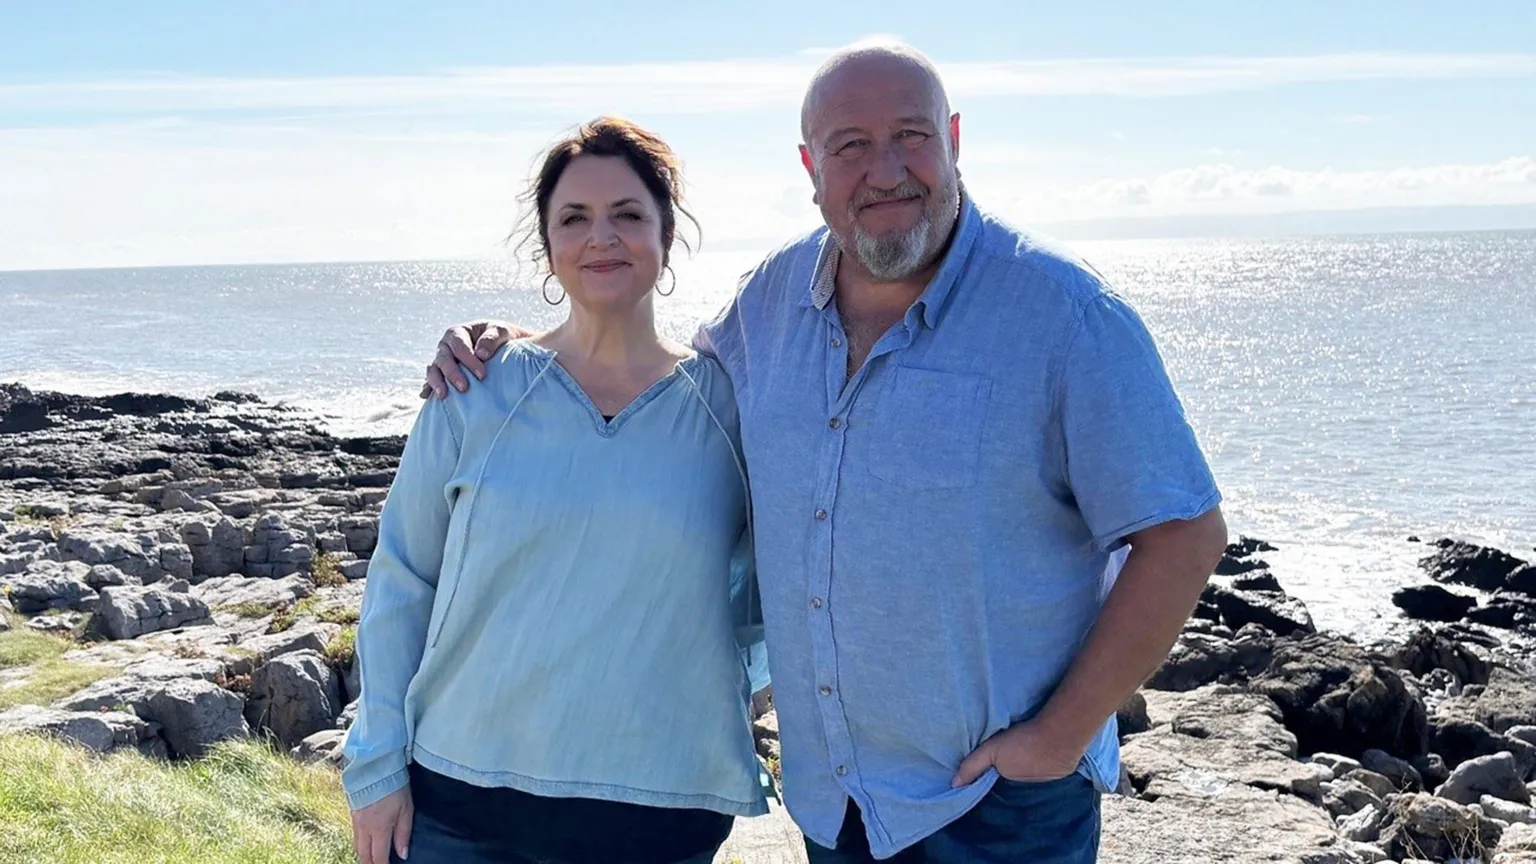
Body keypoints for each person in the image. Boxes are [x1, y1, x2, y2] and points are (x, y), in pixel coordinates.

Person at [422, 40, 1228, 864]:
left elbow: (1184, 535)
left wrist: (1059, 738)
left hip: (998, 809)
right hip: (834, 805)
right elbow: (660, 386)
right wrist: (525, 350)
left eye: (911, 136)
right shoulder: (770, 304)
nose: (884, 170)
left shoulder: (1066, 316)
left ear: (953, 138)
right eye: (849, 146)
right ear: (810, 166)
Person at [342, 116, 770, 864]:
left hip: (659, 819)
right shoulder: (473, 387)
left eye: (628, 215)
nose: (601, 237)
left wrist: (744, 699)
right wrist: (376, 763)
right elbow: (402, 577)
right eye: (575, 218)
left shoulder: (728, 408)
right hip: (458, 812)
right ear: (547, 249)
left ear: (667, 238)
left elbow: (783, 590)